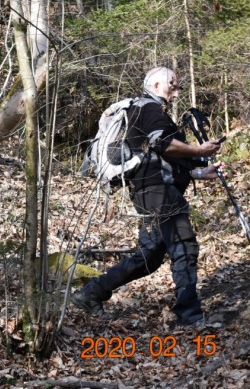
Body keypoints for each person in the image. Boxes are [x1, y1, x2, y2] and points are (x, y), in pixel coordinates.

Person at [71, 67, 223, 327]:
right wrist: (199, 149)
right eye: (171, 84)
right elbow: (163, 144)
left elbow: (158, 160)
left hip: (148, 191)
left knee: (150, 256)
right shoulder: (149, 109)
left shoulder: (143, 111)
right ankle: (190, 316)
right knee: (184, 246)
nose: (176, 90)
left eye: (177, 85)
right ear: (154, 85)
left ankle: (90, 293)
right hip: (159, 193)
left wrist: (199, 172)